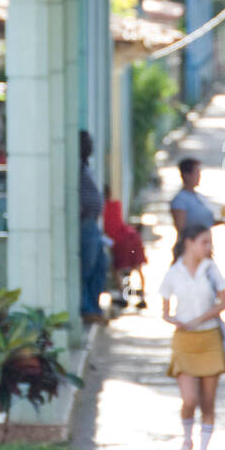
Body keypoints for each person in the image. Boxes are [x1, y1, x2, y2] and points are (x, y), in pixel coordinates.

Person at [160, 222, 225, 450]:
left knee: (208, 401)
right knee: (189, 399)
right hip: (185, 341)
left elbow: (224, 302)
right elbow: (165, 310)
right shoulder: (174, 271)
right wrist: (174, 320)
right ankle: (187, 441)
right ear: (189, 242)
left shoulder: (211, 270)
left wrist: (201, 319)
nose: (208, 247)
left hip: (209, 337)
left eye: (210, 242)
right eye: (204, 242)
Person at [79, 130, 108, 324]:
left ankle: (94, 308)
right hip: (84, 224)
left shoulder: (84, 167)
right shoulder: (75, 167)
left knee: (100, 265)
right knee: (86, 268)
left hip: (93, 224)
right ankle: (87, 308)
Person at [103, 185, 147, 309]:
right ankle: (142, 298)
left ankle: (124, 296)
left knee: (117, 270)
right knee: (138, 267)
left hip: (120, 241)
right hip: (132, 235)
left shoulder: (102, 209)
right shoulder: (117, 204)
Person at [170, 157, 217, 234]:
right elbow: (181, 229)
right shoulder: (180, 200)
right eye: (197, 173)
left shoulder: (200, 197)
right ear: (186, 175)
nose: (199, 176)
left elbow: (206, 222)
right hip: (192, 244)